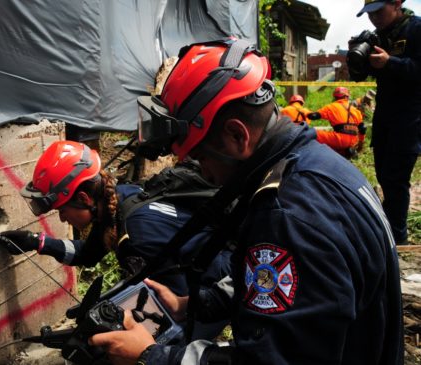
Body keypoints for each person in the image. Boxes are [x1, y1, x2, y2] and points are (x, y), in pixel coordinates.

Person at [89, 38, 404, 364]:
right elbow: (278, 286)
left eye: (199, 157)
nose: (202, 173)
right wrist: (195, 304)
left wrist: (152, 356)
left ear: (237, 136)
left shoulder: (288, 215)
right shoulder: (319, 166)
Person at [0, 140, 231, 339]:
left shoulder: (135, 233)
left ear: (83, 197)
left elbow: (178, 308)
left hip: (220, 284)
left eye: (62, 209)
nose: (63, 218)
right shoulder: (118, 202)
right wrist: (37, 242)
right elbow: (87, 254)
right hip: (196, 280)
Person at [354, 0, 421, 244]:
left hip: (409, 118)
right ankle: (387, 231)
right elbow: (367, 74)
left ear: (396, 3)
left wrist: (390, 62)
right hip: (385, 117)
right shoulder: (379, 36)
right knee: (384, 175)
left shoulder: (416, 29)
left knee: (396, 179)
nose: (374, 18)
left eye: (378, 12)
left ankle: (397, 238)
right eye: (369, 14)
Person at [308, 86, 365, 158]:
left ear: (335, 97)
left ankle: (314, 155)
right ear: (347, 97)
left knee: (313, 134)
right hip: (353, 141)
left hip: (339, 139)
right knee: (337, 145)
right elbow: (362, 128)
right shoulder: (356, 110)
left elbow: (313, 116)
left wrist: (304, 112)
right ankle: (346, 152)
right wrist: (361, 143)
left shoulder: (331, 107)